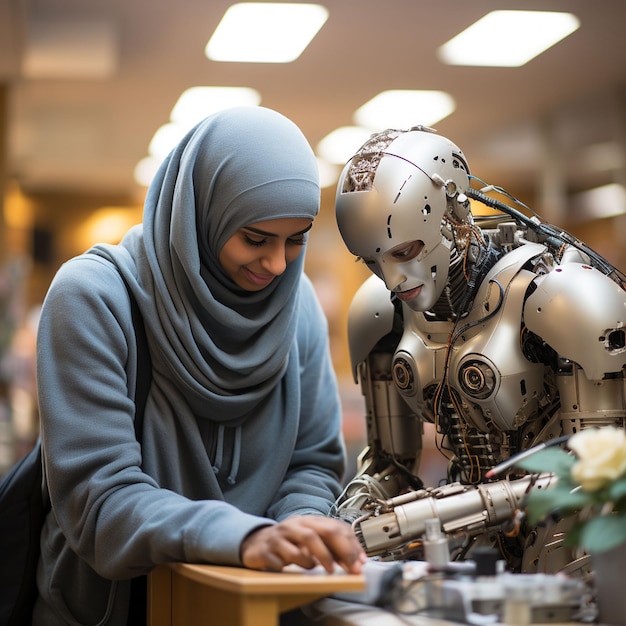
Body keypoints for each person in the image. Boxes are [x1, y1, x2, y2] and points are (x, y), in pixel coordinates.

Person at [34, 106, 366, 625]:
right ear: (202, 213)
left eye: (296, 239)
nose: (278, 264)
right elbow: (97, 501)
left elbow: (312, 464)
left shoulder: (296, 307)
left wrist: (302, 530)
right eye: (256, 238)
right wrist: (247, 537)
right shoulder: (94, 298)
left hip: (248, 608)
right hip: (113, 610)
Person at [330, 124, 626, 583]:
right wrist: (346, 524)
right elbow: (391, 463)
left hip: (572, 544)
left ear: (449, 213)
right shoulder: (381, 312)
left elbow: (604, 474)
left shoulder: (559, 298)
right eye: (372, 259)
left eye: (404, 251)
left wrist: (439, 511)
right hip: (467, 544)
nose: (392, 280)